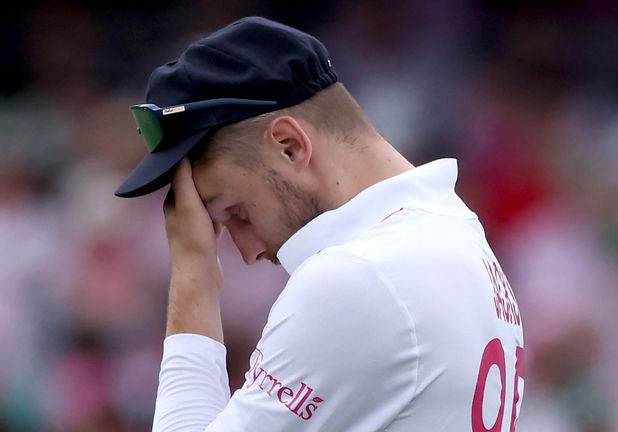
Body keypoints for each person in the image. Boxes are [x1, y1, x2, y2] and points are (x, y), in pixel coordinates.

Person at [115, 16, 525, 432]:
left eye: (236, 213)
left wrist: (192, 274)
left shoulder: (360, 276)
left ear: (289, 147)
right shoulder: (455, 233)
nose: (247, 252)